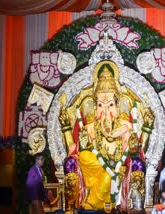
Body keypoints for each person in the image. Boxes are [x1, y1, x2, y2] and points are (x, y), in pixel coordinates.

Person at [59, 61, 155, 210]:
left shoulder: (125, 127)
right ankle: (82, 205)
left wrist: (146, 128)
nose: (105, 110)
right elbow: (77, 151)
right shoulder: (89, 127)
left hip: (117, 169)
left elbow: (136, 149)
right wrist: (67, 129)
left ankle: (92, 204)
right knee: (84, 157)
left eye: (110, 105)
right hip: (93, 171)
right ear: (94, 106)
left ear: (117, 105)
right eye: (100, 105)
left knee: (109, 175)